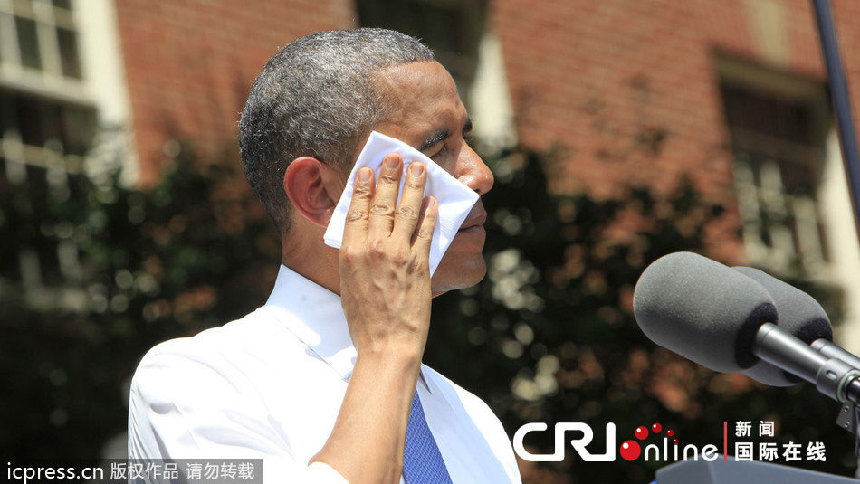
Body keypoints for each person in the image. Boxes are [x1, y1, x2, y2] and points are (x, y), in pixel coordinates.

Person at [128, 28, 522, 483]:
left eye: (465, 142)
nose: (480, 174)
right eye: (436, 150)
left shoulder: (474, 418)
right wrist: (387, 348)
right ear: (318, 193)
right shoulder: (195, 383)